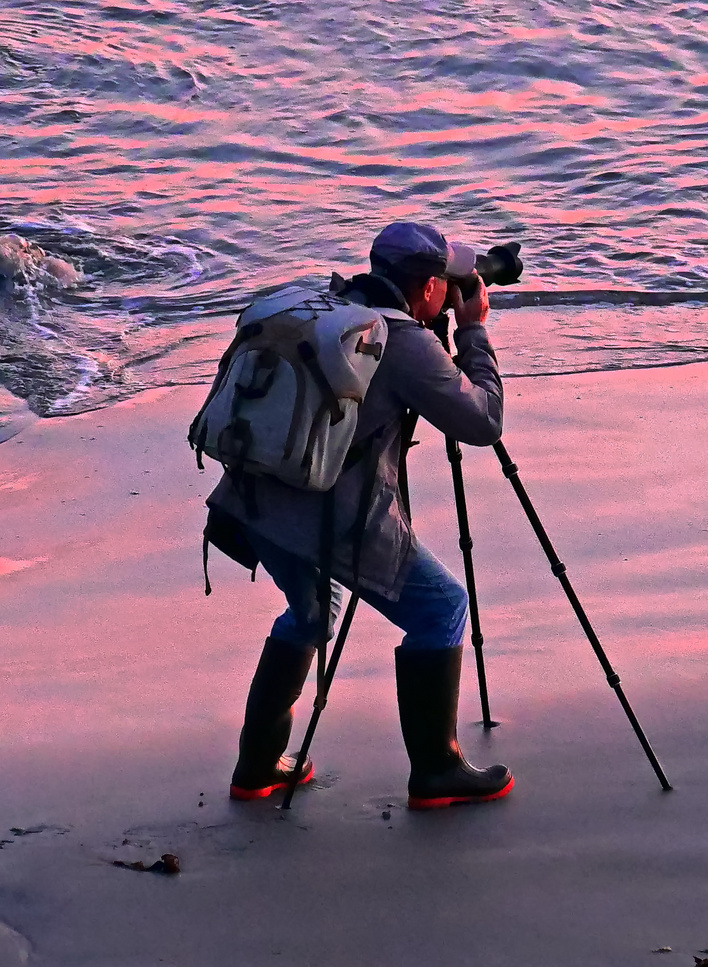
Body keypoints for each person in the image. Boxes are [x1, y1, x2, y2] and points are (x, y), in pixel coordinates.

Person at [204, 221, 512, 810]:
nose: (451, 293)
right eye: (446, 284)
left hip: (252, 497)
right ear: (426, 289)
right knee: (441, 609)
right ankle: (436, 770)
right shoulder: (404, 343)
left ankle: (257, 764)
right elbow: (482, 422)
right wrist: (472, 334)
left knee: (311, 612)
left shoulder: (331, 308)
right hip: (327, 515)